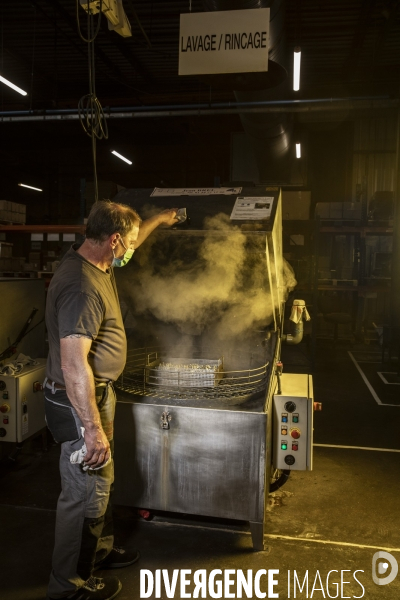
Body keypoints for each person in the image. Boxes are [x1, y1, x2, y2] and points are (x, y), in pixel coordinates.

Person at [44, 200, 178, 600]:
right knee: (81, 493)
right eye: (129, 243)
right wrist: (91, 428)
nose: (130, 252)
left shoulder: (99, 262)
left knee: (100, 483)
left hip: (98, 395)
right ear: (113, 239)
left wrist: (157, 220)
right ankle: (68, 586)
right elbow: (73, 365)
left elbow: (131, 248)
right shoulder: (82, 286)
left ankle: (97, 553)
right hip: (80, 402)